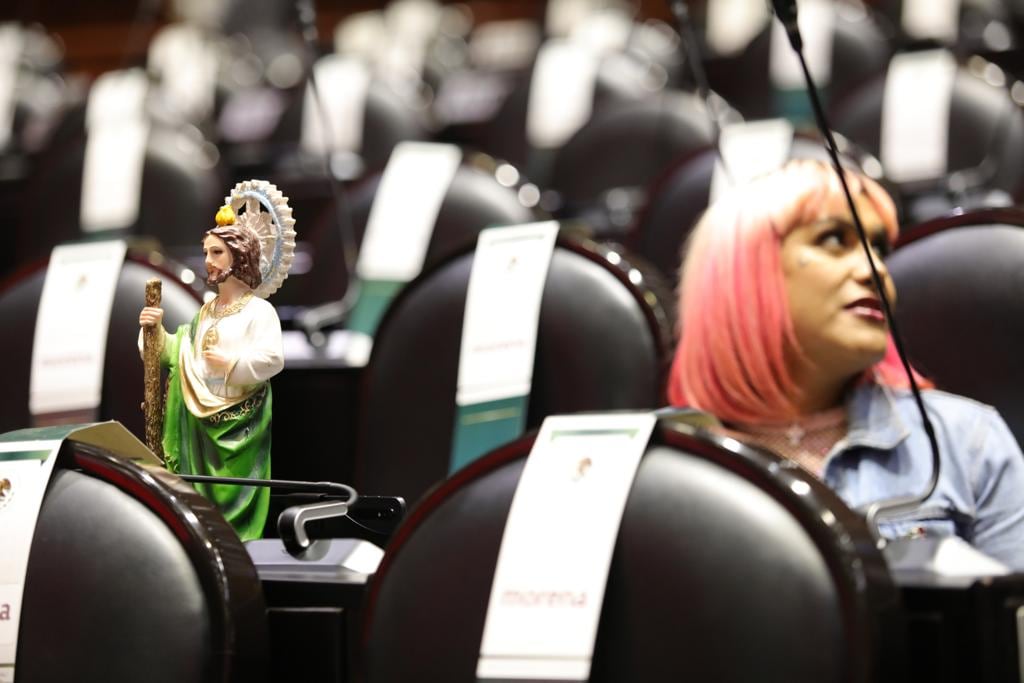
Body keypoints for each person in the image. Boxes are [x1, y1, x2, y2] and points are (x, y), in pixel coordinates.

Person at [668, 159, 1024, 568]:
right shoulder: (662, 466)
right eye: (834, 239)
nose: (876, 271)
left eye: (879, 248)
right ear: (742, 272)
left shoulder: (969, 443)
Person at [139, 202, 286, 541]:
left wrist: (231, 363)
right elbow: (180, 354)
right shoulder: (206, 311)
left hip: (236, 429)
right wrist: (155, 332)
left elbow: (273, 359)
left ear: (239, 256)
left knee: (231, 497)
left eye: (217, 252)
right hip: (195, 427)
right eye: (206, 252)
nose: (208, 261)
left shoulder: (259, 312)